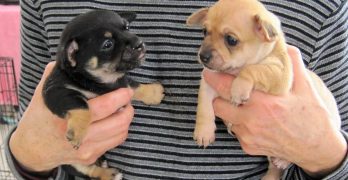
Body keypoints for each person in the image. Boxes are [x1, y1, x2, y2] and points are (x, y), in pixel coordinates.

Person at [5, 0, 348, 179]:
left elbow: (339, 152)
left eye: (230, 39)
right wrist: (29, 154)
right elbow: (32, 132)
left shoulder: (321, 7)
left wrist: (323, 154)